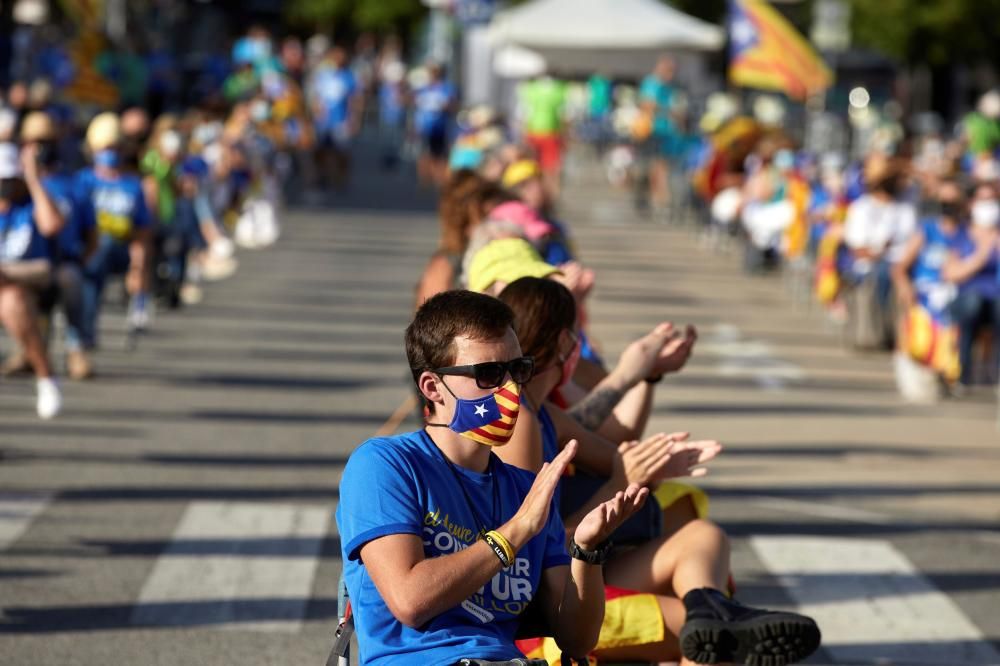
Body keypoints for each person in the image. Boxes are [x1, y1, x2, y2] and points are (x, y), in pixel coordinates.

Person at [495, 277, 822, 665]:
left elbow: (618, 445)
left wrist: (653, 454)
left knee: (702, 538)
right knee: (718, 641)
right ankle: (714, 618)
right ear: (566, 343)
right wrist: (621, 482)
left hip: (573, 574)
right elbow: (530, 548)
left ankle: (712, 611)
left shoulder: (544, 414)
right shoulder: (521, 422)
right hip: (545, 604)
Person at [337, 289, 650, 665]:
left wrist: (587, 550)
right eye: (488, 374)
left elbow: (576, 641)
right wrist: (515, 532)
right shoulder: (385, 464)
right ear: (433, 387)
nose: (511, 390)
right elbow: (410, 600)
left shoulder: (525, 491)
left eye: (518, 370)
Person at [76, 112, 153, 351]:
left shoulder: (133, 185)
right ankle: (84, 332)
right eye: (105, 147)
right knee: (94, 263)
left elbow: (142, 231)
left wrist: (138, 267)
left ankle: (84, 333)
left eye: (115, 147)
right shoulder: (83, 181)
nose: (110, 153)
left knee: (106, 246)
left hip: (120, 250)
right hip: (88, 249)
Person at [0, 141, 64, 418]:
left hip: (31, 279)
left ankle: (44, 376)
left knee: (12, 301)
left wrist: (34, 181)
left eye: (9, 179)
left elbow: (52, 225)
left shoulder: (30, 205)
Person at [308, 45, 360, 189]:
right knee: (320, 150)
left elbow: (353, 99)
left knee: (342, 151)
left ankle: (342, 178)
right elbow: (315, 96)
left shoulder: (348, 76)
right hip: (323, 120)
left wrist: (353, 118)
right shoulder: (322, 75)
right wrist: (316, 111)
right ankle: (321, 175)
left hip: (340, 120)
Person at [638, 56, 681, 212]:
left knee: (662, 165)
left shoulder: (668, 86)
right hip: (654, 130)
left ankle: (660, 197)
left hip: (667, 131)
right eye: (670, 70)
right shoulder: (652, 83)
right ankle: (659, 198)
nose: (672, 74)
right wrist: (667, 111)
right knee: (658, 165)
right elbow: (647, 104)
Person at [518, 73, 567, 199]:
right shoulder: (559, 90)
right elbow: (564, 116)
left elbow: (523, 114)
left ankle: (535, 196)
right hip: (551, 134)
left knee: (533, 167)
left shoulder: (529, 90)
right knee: (550, 168)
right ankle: (550, 197)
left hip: (534, 133)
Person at [412, 62, 456, 187]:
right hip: (424, 126)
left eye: (436, 72)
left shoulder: (447, 88)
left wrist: (445, 106)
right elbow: (414, 103)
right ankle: (425, 180)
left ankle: (439, 179)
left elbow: (452, 106)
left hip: (440, 127)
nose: (433, 75)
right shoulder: (424, 88)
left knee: (440, 155)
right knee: (425, 153)